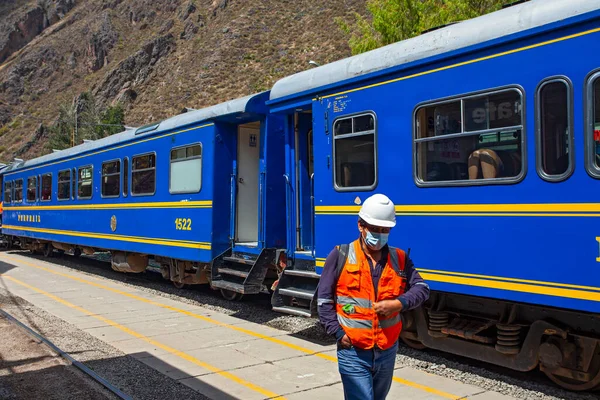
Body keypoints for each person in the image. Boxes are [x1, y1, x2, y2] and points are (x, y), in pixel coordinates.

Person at [317, 193, 430, 400]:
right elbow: (324, 300)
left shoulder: (400, 259)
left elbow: (422, 288)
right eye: (374, 229)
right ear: (361, 226)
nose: (379, 235)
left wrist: (399, 303)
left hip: (387, 351)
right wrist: (338, 333)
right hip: (353, 351)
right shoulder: (340, 255)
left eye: (385, 230)